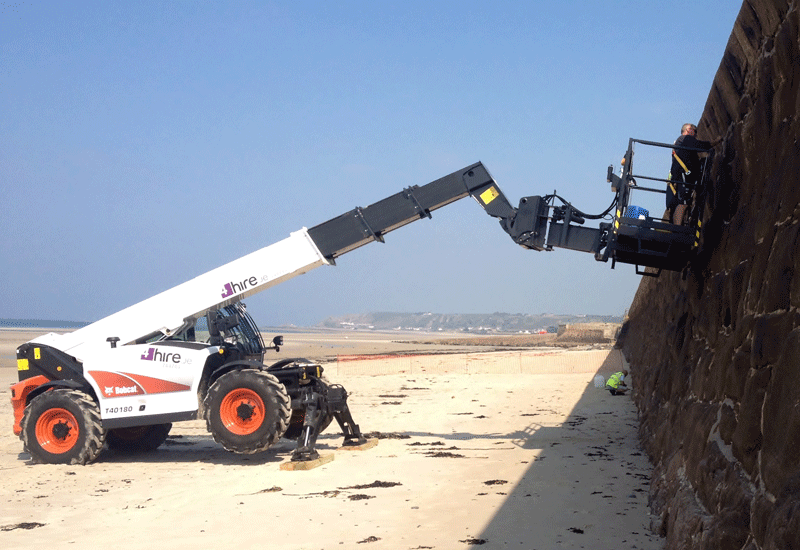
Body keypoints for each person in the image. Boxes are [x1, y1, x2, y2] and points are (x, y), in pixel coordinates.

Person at [666, 123, 720, 225]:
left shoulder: (681, 142)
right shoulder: (685, 139)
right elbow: (700, 145)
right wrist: (714, 143)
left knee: (684, 202)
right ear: (687, 130)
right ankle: (677, 228)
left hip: (682, 175)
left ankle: (678, 226)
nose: (695, 134)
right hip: (683, 176)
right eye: (694, 131)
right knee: (683, 203)